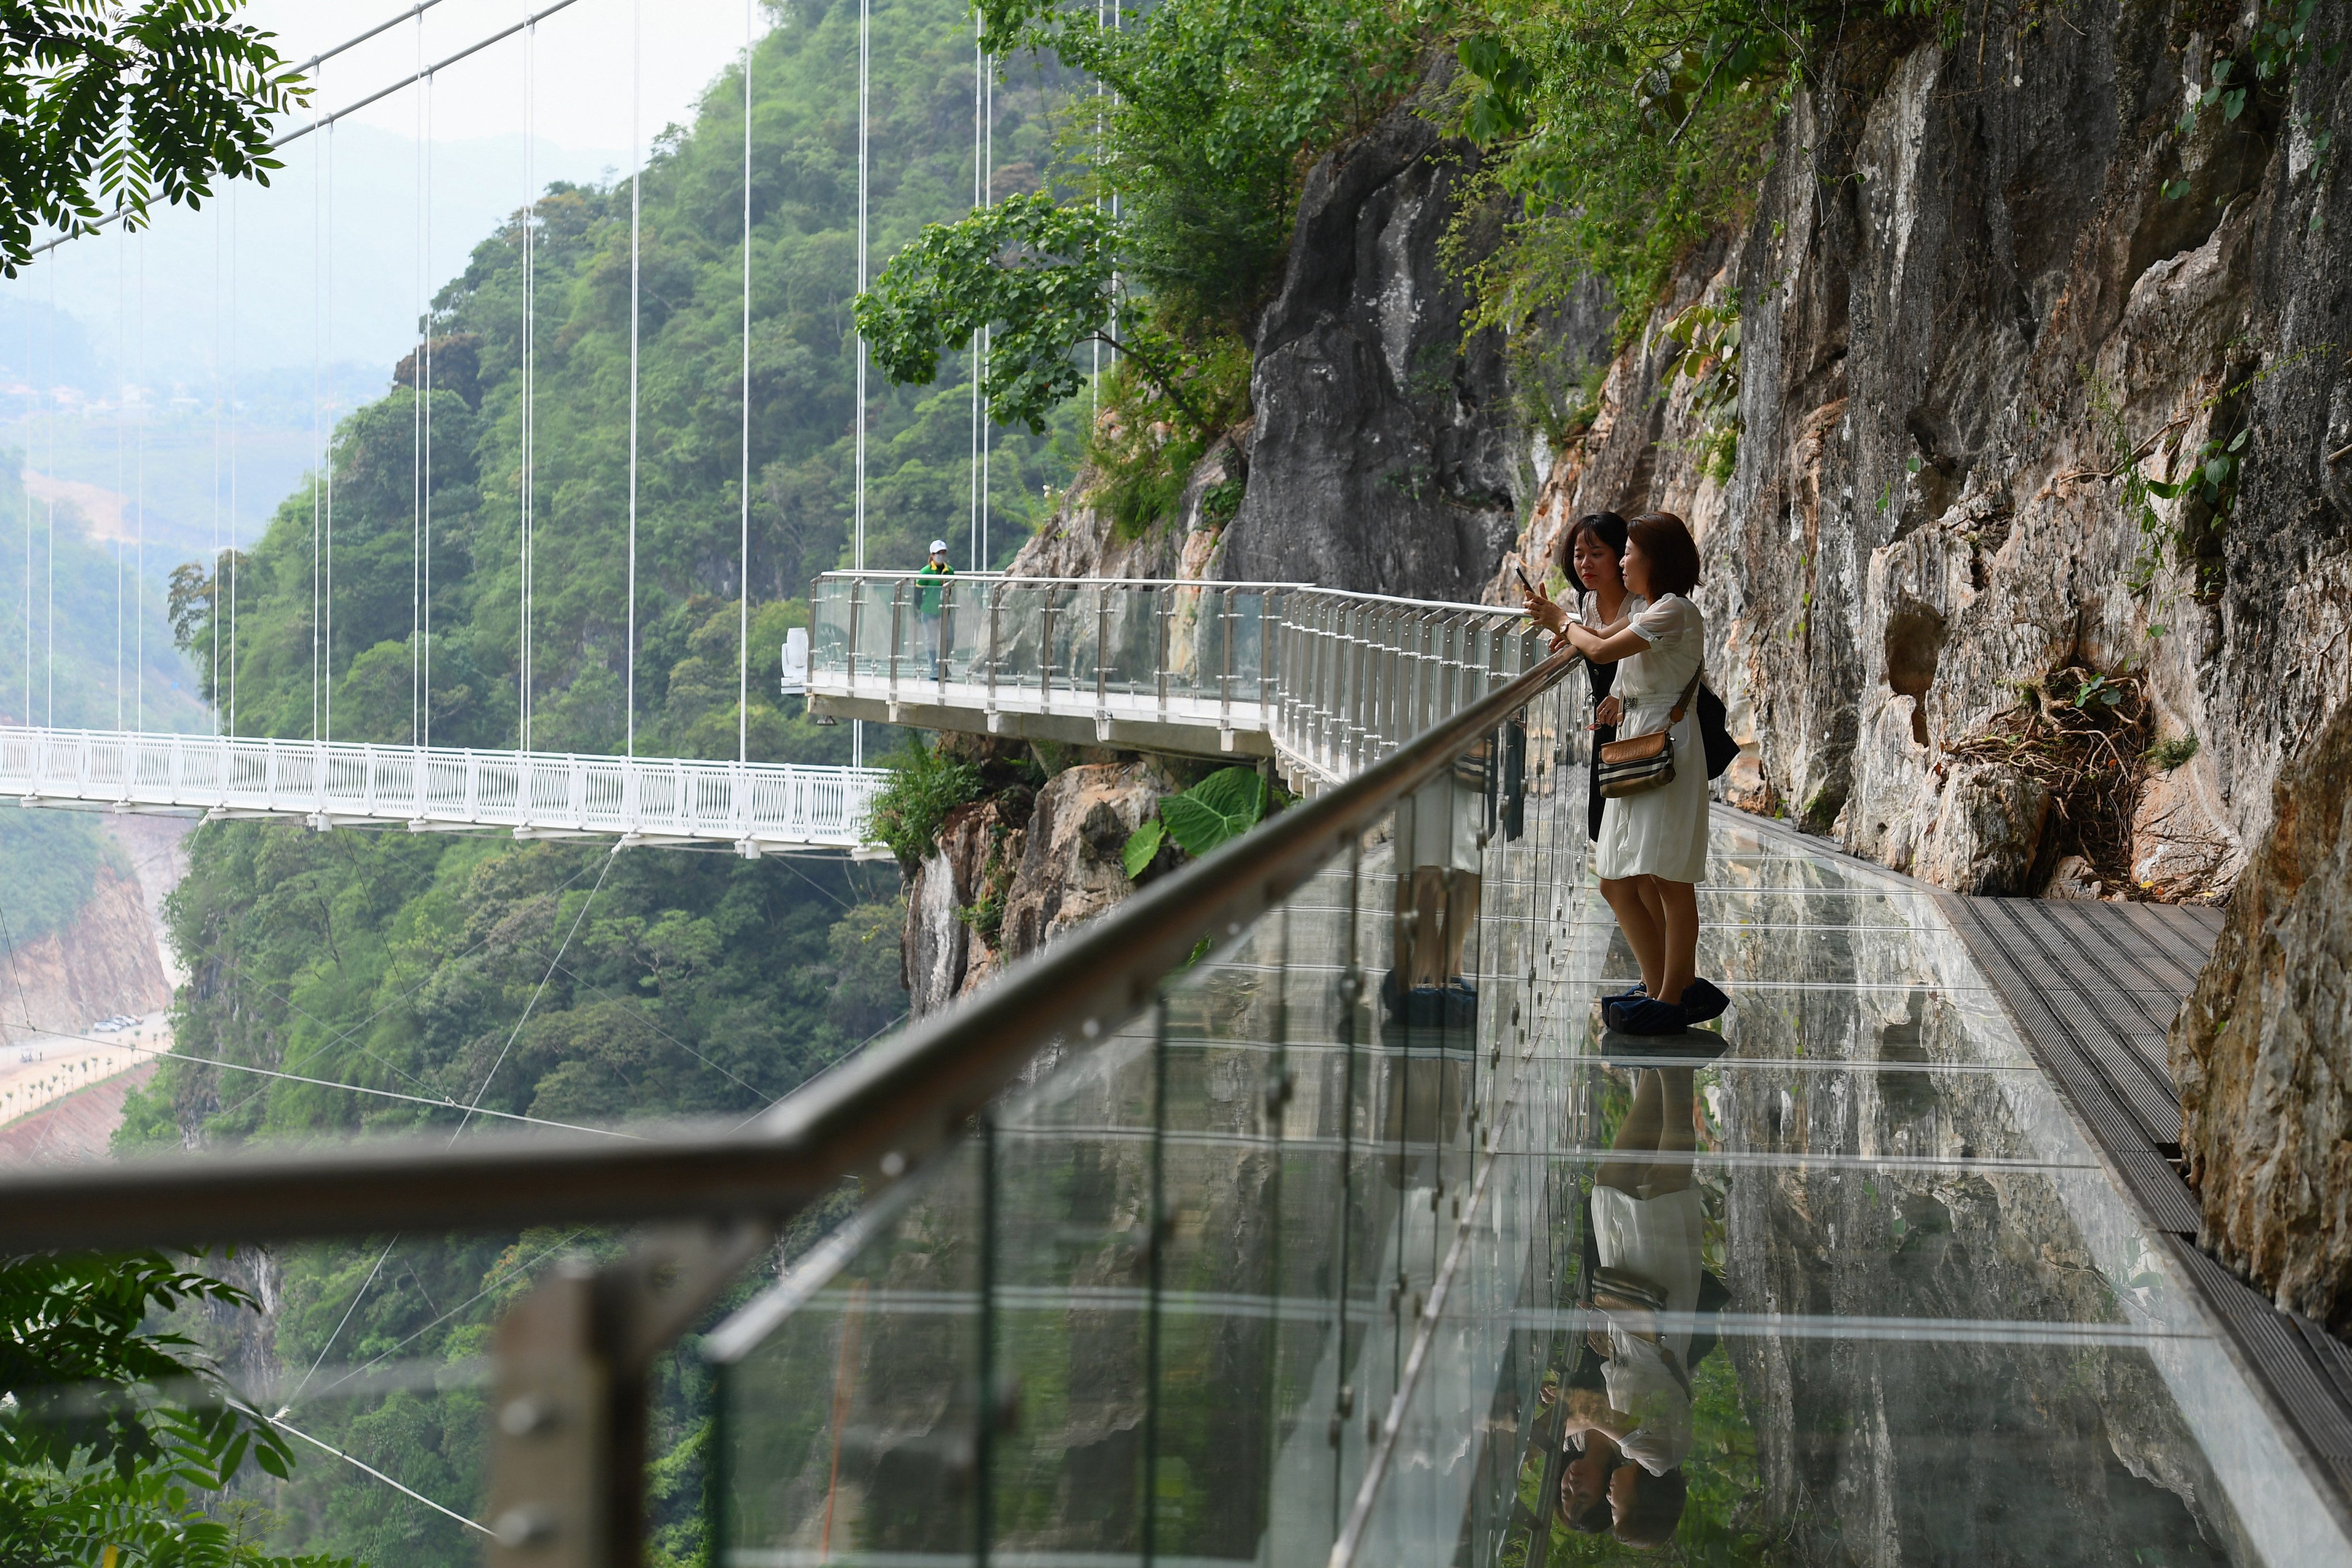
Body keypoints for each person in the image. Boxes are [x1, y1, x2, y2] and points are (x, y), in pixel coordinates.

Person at [1524, 512, 1723, 1034]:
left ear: (1653, 560)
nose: (1624, 559)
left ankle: (1672, 992)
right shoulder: (1656, 610)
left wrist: (1559, 622)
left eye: (1629, 551)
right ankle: (1662, 985)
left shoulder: (1673, 611)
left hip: (1667, 748)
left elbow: (1602, 647)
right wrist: (1610, 686)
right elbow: (1605, 640)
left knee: (1669, 878)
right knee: (1617, 879)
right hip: (1637, 739)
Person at [1546, 1063, 1701, 1550]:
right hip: (1650, 1311)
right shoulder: (1654, 1455)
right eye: (1617, 1507)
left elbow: (1610, 1403)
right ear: (1644, 1501)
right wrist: (1538, 1430)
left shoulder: (1662, 1454)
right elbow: (1592, 1410)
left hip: (1644, 1317)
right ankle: (1669, 1066)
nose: (1610, 1498)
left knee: (1638, 1182)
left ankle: (1663, 1068)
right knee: (1646, 1182)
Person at [1555, 514, 1632, 843]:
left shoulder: (1643, 605)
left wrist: (1564, 627)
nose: (1586, 563)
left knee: (1628, 827)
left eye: (1597, 554)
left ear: (1622, 555)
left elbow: (1602, 646)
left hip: (1635, 720)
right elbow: (1596, 637)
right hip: (1604, 721)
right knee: (1604, 829)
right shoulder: (1585, 601)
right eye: (1579, 554)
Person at [916, 540, 953, 675]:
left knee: (949, 638)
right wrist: (918, 609)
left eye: (943, 553)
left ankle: (943, 664)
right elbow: (918, 593)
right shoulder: (925, 572)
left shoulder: (949, 571)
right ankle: (934, 667)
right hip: (929, 611)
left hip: (944, 611)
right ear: (932, 555)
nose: (941, 556)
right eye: (938, 553)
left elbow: (951, 591)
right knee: (931, 639)